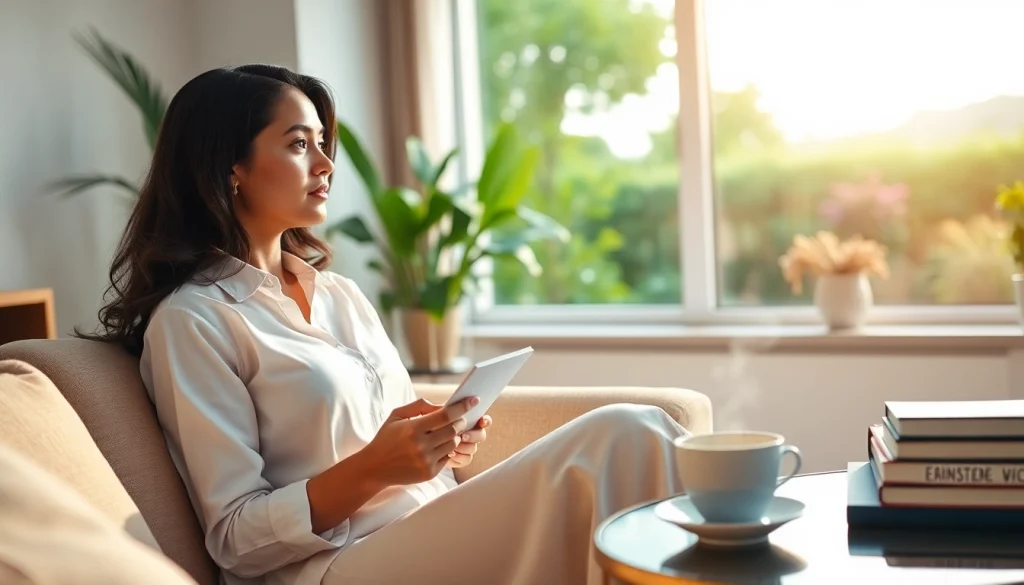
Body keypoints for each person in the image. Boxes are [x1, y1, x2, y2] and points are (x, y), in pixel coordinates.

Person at [80, 64, 693, 585]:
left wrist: (440, 444)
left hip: (426, 524)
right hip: (336, 567)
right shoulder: (193, 320)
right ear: (230, 167)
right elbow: (235, 538)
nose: (326, 163)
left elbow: (399, 434)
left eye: (323, 143)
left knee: (643, 432)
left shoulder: (341, 296)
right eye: (298, 144)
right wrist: (375, 468)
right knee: (626, 429)